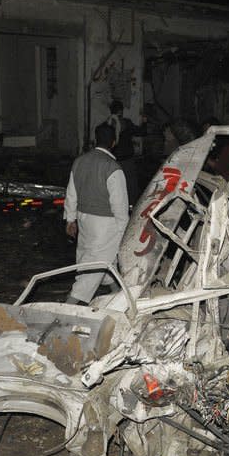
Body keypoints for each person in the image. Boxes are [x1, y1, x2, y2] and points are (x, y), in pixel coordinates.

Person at [64, 123, 129, 305]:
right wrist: (125, 232)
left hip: (84, 219)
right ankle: (68, 305)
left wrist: (70, 219)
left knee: (93, 258)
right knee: (95, 265)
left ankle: (116, 295)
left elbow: (71, 193)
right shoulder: (113, 168)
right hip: (106, 225)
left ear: (95, 140)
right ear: (114, 142)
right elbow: (120, 206)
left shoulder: (80, 161)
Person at [107, 99, 146, 205]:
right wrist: (145, 121)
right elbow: (141, 132)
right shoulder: (126, 123)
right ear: (121, 110)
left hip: (112, 160)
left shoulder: (107, 124)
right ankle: (131, 207)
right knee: (131, 186)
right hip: (127, 160)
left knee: (114, 186)